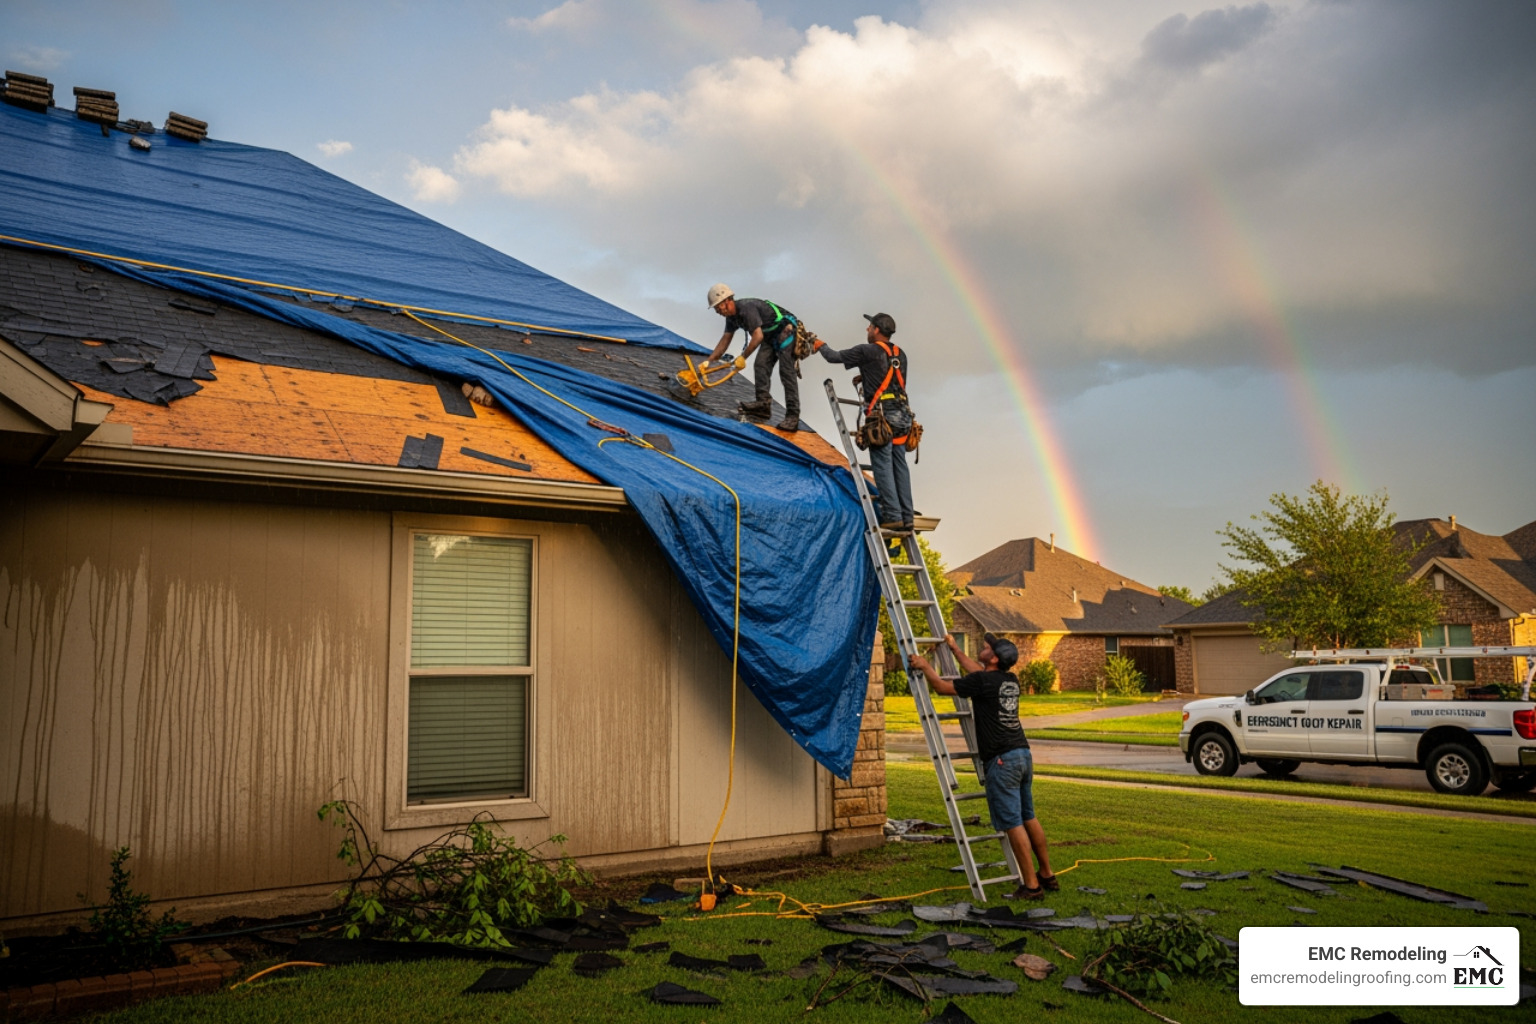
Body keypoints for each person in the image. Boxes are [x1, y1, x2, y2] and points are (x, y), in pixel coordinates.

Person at [908, 632, 1056, 900]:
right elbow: (976, 670)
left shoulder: (982, 681)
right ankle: (1047, 874)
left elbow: (943, 688)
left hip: (1002, 759)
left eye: (988, 647)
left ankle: (1031, 886)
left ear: (995, 658)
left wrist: (925, 666)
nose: (984, 646)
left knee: (1013, 823)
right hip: (1022, 753)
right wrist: (954, 649)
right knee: (1028, 816)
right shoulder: (1009, 679)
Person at [818, 312, 914, 531]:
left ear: (877, 330)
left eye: (870, 327)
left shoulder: (867, 350)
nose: (867, 330)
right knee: (899, 465)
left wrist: (819, 345)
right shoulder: (901, 354)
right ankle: (907, 517)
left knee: (882, 466)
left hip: (882, 417)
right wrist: (865, 374)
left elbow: (833, 356)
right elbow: (890, 378)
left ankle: (892, 515)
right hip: (903, 416)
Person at [702, 283, 804, 432]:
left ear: (727, 300)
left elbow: (757, 336)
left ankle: (792, 417)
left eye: (718, 307)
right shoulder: (731, 318)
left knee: (786, 372)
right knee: (761, 365)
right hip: (770, 335)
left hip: (786, 329)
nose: (717, 311)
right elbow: (725, 341)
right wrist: (708, 362)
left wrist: (742, 357)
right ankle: (763, 405)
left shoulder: (746, 308)